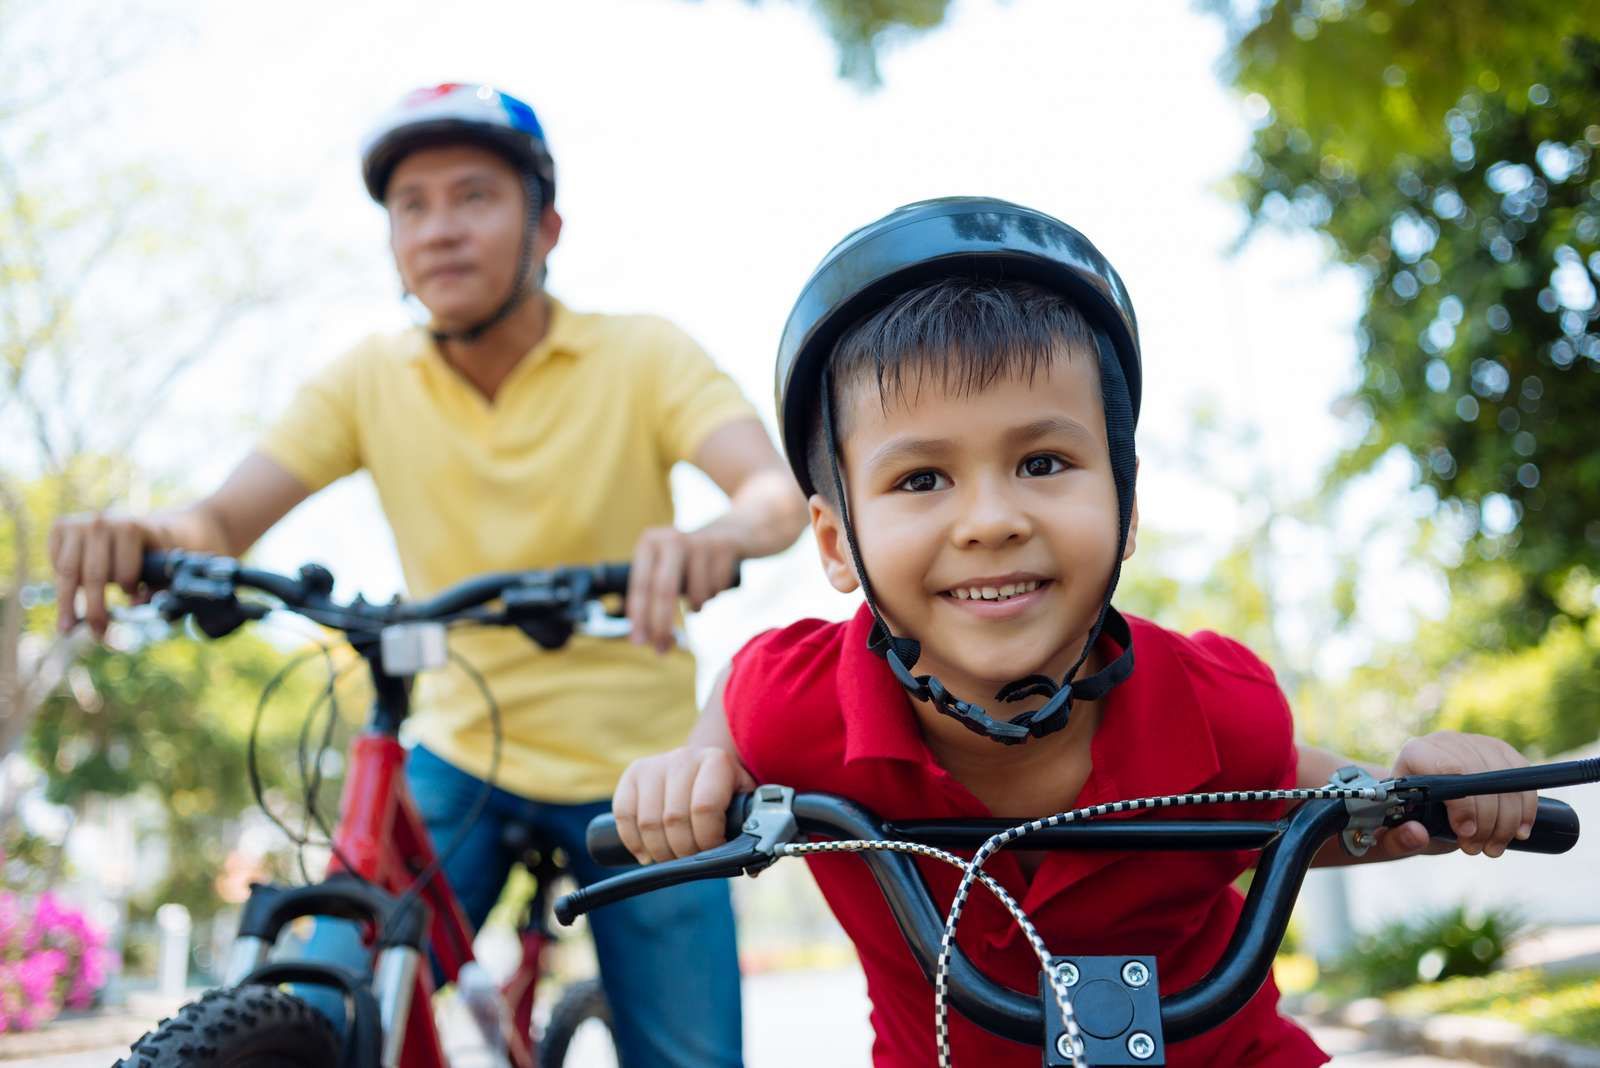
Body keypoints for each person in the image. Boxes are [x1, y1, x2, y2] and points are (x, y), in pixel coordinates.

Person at [610, 197, 1541, 1067]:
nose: (990, 520)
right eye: (922, 480)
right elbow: (735, 706)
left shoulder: (1221, 707)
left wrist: (1430, 795)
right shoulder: (796, 706)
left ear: (1127, 507)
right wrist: (689, 763)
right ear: (835, 543)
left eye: (1043, 461)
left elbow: (1332, 811)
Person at [50, 83, 807, 1067]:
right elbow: (218, 521)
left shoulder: (641, 354)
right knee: (327, 1004)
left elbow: (773, 495)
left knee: (689, 1060)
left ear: (548, 226)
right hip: (464, 753)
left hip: (644, 770)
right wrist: (145, 532)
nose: (440, 229)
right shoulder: (366, 379)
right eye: (411, 205)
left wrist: (717, 537)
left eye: (474, 197)